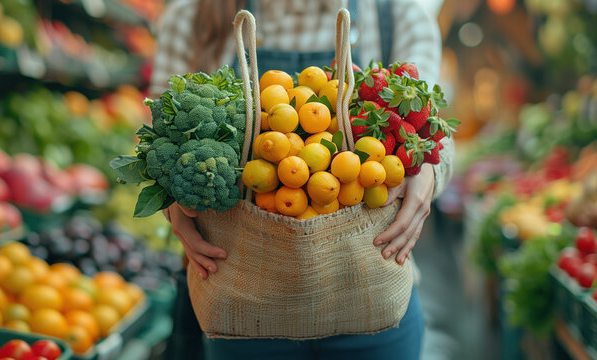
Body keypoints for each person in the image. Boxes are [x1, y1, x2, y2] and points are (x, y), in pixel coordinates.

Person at [150, 1, 454, 359]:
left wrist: (431, 171)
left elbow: (434, 127)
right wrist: (171, 199)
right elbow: (158, 134)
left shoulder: (394, 11)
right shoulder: (192, 15)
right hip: (244, 305)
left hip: (369, 291)